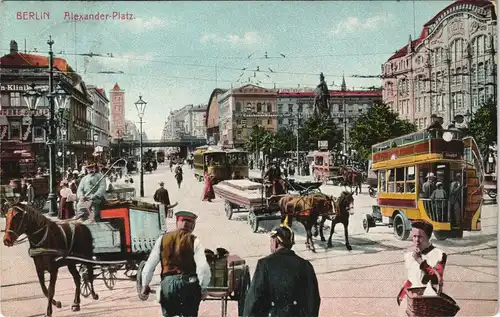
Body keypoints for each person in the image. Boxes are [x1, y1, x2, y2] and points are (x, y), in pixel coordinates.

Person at [140, 211, 211, 317]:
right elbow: (203, 268)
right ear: (193, 226)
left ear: (177, 222)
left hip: (167, 285)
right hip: (189, 284)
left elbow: (150, 264)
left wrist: (145, 284)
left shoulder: (162, 239)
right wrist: (203, 287)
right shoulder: (194, 241)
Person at [243, 221, 321, 317]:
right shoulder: (305, 265)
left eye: (271, 241)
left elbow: (254, 299)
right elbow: (313, 300)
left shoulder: (264, 264)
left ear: (276, 242)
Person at [397, 220, 447, 306]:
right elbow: (411, 279)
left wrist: (420, 261)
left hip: (429, 303)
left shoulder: (439, 254)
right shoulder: (411, 255)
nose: (416, 240)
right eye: (414, 236)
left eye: (420, 237)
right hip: (412, 302)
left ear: (428, 237)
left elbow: (436, 278)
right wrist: (401, 296)